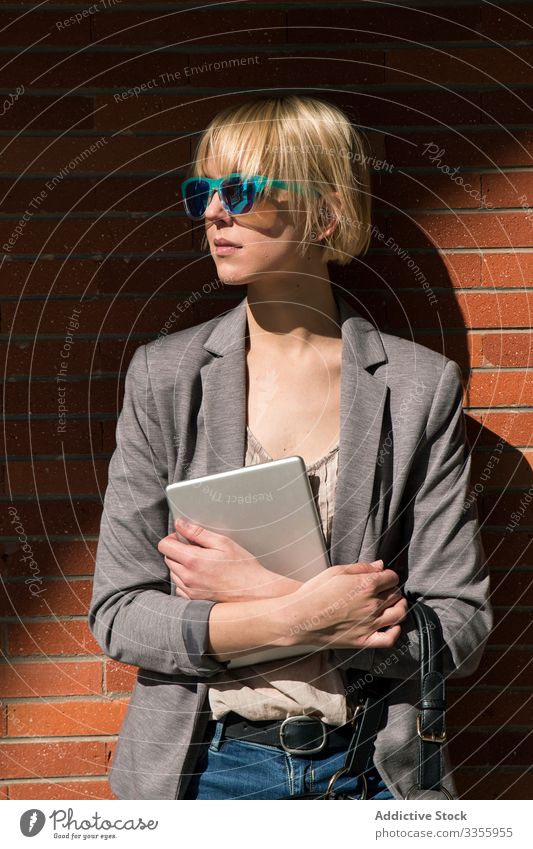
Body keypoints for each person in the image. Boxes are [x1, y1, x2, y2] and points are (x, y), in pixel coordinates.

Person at [88, 94, 492, 801]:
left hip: (369, 769)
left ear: (323, 213)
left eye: (239, 190)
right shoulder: (166, 377)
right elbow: (120, 612)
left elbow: (458, 622)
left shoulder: (418, 387)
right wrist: (293, 614)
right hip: (209, 769)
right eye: (201, 191)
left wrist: (265, 591)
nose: (214, 211)